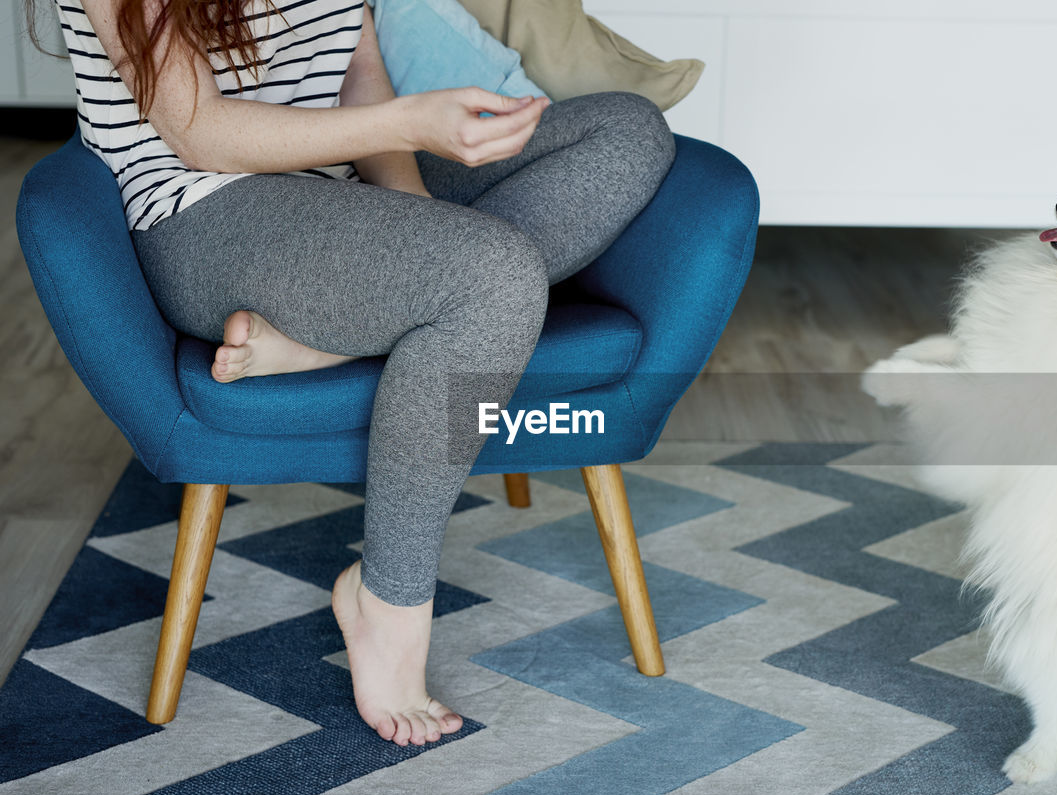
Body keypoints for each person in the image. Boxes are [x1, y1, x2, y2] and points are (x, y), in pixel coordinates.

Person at [47, 0, 675, 746]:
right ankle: (388, 603)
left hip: (336, 185)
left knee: (630, 129)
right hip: (208, 212)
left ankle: (334, 338)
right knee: (495, 281)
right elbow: (199, 130)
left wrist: (419, 235)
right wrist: (411, 130)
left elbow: (358, 72)